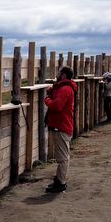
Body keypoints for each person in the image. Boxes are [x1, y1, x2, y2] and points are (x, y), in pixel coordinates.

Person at [44, 65, 77, 193]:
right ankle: (59, 181)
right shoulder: (63, 87)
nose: (57, 73)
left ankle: (61, 183)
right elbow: (57, 95)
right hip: (62, 125)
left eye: (59, 72)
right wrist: (51, 91)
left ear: (63, 75)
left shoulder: (65, 89)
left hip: (62, 126)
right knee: (62, 156)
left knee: (63, 158)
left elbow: (57, 106)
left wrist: (46, 99)